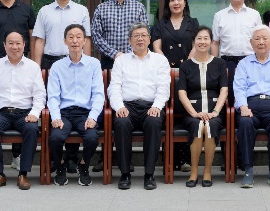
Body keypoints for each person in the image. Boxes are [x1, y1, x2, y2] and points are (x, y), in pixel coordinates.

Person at [107, 23, 170, 190]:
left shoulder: (160, 60)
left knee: (153, 122)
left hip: (151, 104)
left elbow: (164, 87)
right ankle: (125, 173)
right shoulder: (121, 61)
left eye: (143, 35)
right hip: (128, 105)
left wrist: (157, 106)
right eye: (136, 35)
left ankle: (149, 174)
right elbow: (114, 87)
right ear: (130, 40)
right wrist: (119, 107)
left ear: (149, 39)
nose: (140, 39)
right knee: (121, 123)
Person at [0, 30, 45, 190]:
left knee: (32, 129)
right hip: (2, 113)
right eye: (10, 43)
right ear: (4, 45)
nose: (14, 47)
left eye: (18, 43)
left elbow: (40, 95)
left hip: (24, 113)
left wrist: (34, 114)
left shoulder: (33, 67)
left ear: (24, 45)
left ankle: (23, 173)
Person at [46, 24, 104, 187]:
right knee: (56, 137)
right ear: (65, 41)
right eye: (70, 37)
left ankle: (84, 165)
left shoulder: (94, 64)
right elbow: (53, 96)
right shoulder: (57, 66)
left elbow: (98, 94)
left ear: (84, 41)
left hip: (85, 113)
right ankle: (60, 166)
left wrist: (93, 117)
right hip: (64, 113)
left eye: (79, 37)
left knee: (92, 137)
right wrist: (55, 117)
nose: (75, 40)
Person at [233, 25, 270, 188]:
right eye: (257, 39)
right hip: (250, 106)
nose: (261, 42)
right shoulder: (243, 63)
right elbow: (239, 88)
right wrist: (243, 107)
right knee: (245, 122)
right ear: (251, 43)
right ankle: (248, 170)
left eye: (265, 38)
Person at [176, 27, 228, 188]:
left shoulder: (219, 63)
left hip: (215, 112)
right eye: (199, 38)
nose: (202, 42)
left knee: (210, 125)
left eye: (206, 38)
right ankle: (193, 172)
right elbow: (182, 93)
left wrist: (215, 112)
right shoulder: (186, 66)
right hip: (192, 113)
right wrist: (194, 113)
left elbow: (224, 90)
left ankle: (207, 171)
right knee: (199, 125)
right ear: (194, 42)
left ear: (211, 42)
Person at [90, 0, 148, 74]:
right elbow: (96, 36)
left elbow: (144, 34)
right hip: (108, 61)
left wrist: (128, 54)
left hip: (134, 60)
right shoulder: (101, 8)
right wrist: (115, 54)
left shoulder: (139, 8)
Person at [31, 0, 90, 71]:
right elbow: (40, 40)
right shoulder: (44, 11)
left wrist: (86, 65)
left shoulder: (82, 10)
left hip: (75, 61)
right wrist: (37, 68)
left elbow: (86, 40)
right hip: (50, 62)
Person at [210, 0, 262, 66]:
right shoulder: (219, 16)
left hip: (251, 62)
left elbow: (260, 41)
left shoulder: (255, 15)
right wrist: (215, 66)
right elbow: (215, 43)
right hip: (226, 63)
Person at [151, 0, 199, 69]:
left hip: (189, 69)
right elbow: (156, 48)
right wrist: (166, 67)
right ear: (168, 4)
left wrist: (186, 66)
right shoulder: (160, 24)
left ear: (185, 3)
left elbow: (196, 46)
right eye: (172, 0)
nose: (176, 3)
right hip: (165, 69)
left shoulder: (193, 23)